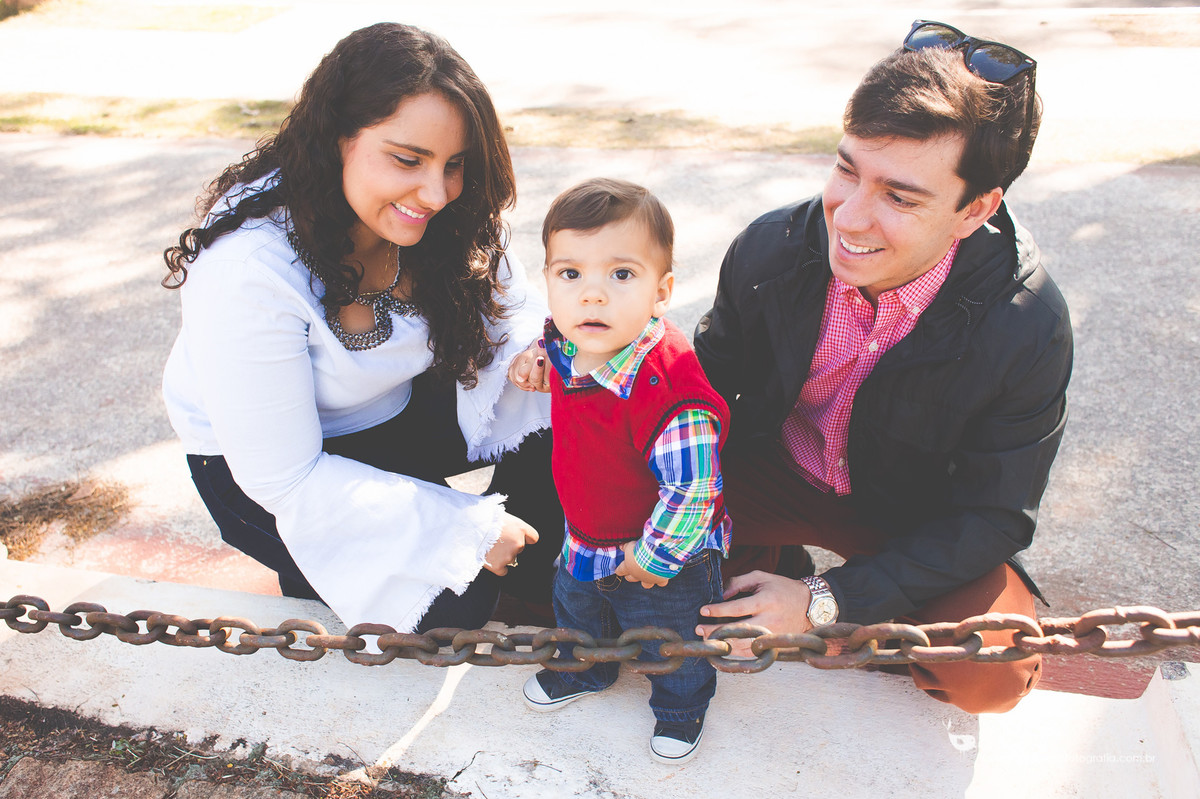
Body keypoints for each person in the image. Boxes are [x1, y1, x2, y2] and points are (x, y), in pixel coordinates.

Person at [691, 21, 1072, 714]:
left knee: (990, 669)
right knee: (626, 567)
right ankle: (763, 565)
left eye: (900, 196)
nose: (850, 218)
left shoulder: (1027, 323)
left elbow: (993, 516)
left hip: (913, 516)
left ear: (975, 209)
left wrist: (827, 601)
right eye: (847, 170)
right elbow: (697, 402)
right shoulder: (769, 249)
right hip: (773, 471)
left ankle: (857, 617)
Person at [160, 23, 563, 634]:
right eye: (407, 159)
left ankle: (537, 577)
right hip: (270, 470)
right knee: (454, 610)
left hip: (393, 410)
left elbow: (515, 317)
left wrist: (547, 352)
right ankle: (323, 573)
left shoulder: (452, 213)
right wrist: (463, 528)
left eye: (454, 164)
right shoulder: (248, 266)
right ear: (336, 138)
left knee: (572, 393)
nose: (436, 193)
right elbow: (284, 476)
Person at [509, 179, 731, 764]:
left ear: (662, 291)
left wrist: (656, 555)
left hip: (663, 551)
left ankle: (681, 707)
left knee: (667, 638)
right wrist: (533, 357)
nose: (592, 296)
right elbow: (551, 339)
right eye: (570, 273)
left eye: (622, 274)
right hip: (587, 530)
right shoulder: (570, 340)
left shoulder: (670, 389)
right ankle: (585, 669)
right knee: (578, 610)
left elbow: (693, 487)